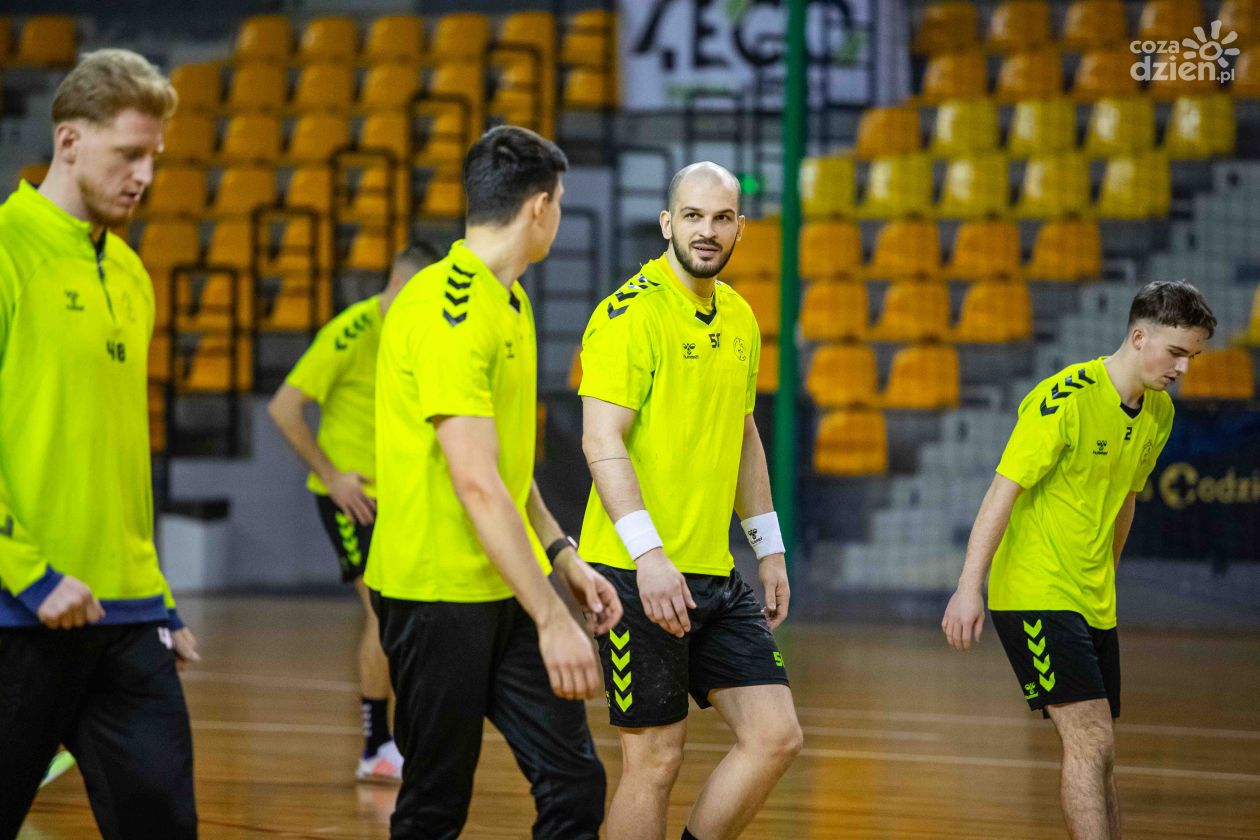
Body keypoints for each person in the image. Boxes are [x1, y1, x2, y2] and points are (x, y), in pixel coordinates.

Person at [366, 125, 623, 839]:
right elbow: (477, 484)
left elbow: (508, 469)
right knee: (435, 805)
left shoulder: (510, 300)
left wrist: (562, 556)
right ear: (539, 207)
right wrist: (552, 618)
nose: (558, 215)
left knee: (573, 784)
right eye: (559, 203)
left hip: (505, 584)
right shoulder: (447, 310)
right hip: (434, 595)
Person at [0, 49, 199, 839]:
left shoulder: (132, 273)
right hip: (20, 610)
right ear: (69, 140)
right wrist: (27, 573)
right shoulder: (7, 249)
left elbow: (119, 452)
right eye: (128, 154)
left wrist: (159, 597)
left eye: (154, 156)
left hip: (127, 612)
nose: (144, 175)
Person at [942, 280, 1217, 840]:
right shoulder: (1064, 398)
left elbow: (1126, 499)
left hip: (1092, 598)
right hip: (1035, 591)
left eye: (1192, 356)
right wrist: (969, 586)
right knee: (1089, 738)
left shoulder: (1159, 413)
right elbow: (1003, 491)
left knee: (1101, 750)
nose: (1183, 368)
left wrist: (1107, 575)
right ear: (1138, 338)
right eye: (1176, 352)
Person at [578, 161, 803, 840]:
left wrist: (769, 550)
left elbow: (743, 435)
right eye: (694, 216)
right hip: (633, 572)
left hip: (712, 570)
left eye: (722, 218)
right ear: (667, 223)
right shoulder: (628, 315)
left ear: (740, 227)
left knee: (775, 736)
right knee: (654, 761)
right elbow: (600, 440)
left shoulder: (739, 315)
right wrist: (648, 556)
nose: (708, 231)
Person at [268, 241, 438, 782]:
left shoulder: (419, 331)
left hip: (401, 498)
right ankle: (375, 748)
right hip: (353, 501)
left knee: (407, 617)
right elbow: (284, 408)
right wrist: (332, 476)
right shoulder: (350, 332)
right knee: (382, 615)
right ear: (397, 283)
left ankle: (398, 741)